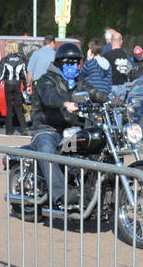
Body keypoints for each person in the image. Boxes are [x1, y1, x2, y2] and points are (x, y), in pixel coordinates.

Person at [30, 41, 107, 208]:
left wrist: (109, 100)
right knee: (47, 151)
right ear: (60, 63)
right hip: (47, 128)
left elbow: (93, 92)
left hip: (70, 129)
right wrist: (65, 103)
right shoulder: (46, 80)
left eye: (76, 63)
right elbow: (49, 96)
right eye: (69, 63)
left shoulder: (78, 81)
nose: (73, 66)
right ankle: (61, 195)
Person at [0, 39, 29, 135]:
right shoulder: (21, 59)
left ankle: (9, 130)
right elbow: (24, 74)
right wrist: (27, 84)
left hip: (8, 84)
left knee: (9, 107)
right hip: (17, 84)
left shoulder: (5, 59)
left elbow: (1, 75)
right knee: (18, 106)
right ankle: (24, 129)